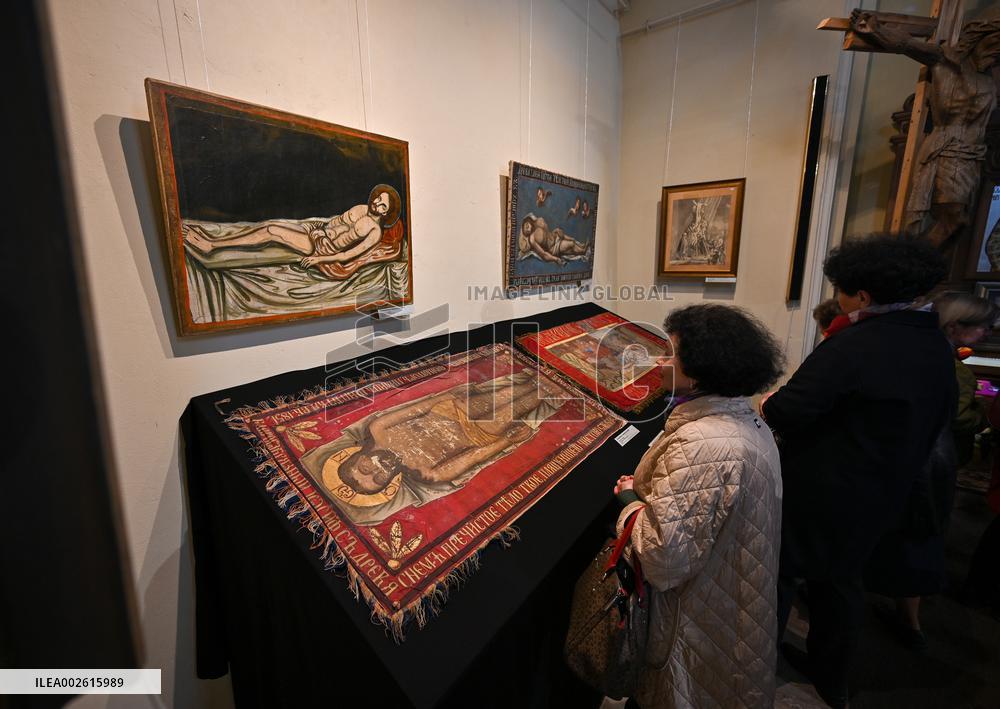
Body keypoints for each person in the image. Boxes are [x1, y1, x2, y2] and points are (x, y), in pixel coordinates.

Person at [762, 234, 954, 708]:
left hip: (825, 487)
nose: (839, 298)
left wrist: (769, 403)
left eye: (844, 290)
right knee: (843, 583)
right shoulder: (933, 342)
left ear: (863, 295)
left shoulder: (855, 345)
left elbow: (789, 410)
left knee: (781, 573)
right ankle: (833, 679)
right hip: (885, 486)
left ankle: (755, 662)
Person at [613, 304, 785, 708]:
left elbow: (663, 558)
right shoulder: (745, 420)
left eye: (672, 353)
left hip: (696, 626)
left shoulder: (704, 444)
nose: (661, 361)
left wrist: (630, 504)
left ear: (699, 370)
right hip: (730, 607)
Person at [865, 292, 997, 649]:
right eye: (982, 327)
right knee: (917, 535)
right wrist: (982, 414)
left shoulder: (918, 355)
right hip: (927, 464)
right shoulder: (947, 365)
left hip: (912, 461)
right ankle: (909, 621)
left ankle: (906, 617)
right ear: (955, 326)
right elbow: (960, 418)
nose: (986, 333)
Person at [851, 9, 1000, 246]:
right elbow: (906, 44)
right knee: (951, 217)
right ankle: (913, 264)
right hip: (945, 148)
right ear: (982, 37)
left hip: (973, 156)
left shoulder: (991, 80)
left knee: (958, 221)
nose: (997, 52)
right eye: (996, 43)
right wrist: (875, 29)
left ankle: (917, 265)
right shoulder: (945, 60)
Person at [182, 183, 401, 271]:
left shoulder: (375, 231)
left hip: (323, 249)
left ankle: (212, 245)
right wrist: (317, 226)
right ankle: (216, 241)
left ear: (387, 212)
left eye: (383, 205)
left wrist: (318, 259)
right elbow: (335, 222)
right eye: (377, 199)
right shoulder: (361, 207)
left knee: (271, 231)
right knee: (272, 224)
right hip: (318, 232)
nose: (377, 204)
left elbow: (347, 256)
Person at [518, 215, 591, 265]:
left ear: (529, 221)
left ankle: (582, 248)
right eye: (526, 230)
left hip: (555, 236)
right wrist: (555, 259)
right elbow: (543, 254)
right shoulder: (532, 239)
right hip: (553, 248)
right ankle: (583, 251)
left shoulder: (538, 221)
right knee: (571, 244)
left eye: (527, 226)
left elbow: (547, 232)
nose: (528, 229)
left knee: (572, 244)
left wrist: (555, 231)